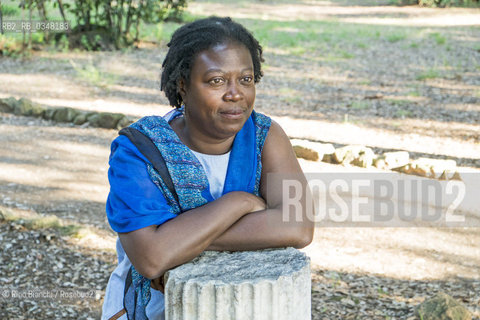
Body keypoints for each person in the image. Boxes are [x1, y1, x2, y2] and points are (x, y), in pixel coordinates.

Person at [102, 16, 314, 320]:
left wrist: (177, 240)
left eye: (246, 79)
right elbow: (150, 261)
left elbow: (298, 227)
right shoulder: (139, 149)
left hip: (243, 307)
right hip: (154, 309)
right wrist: (240, 203)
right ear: (183, 85)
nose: (235, 93)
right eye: (216, 80)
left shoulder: (264, 136)